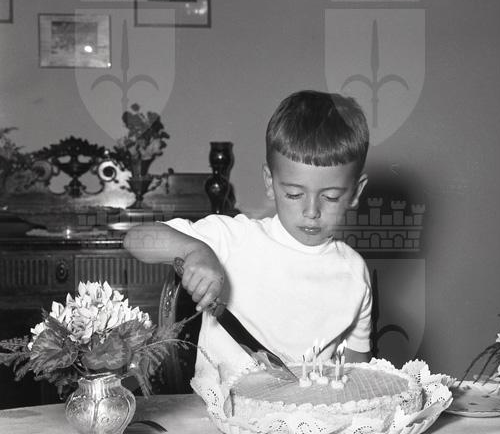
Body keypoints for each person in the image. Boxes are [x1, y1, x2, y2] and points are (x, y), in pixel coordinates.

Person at [123, 90, 372, 384]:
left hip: (310, 412)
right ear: (270, 181)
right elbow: (136, 239)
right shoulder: (235, 238)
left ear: (355, 192)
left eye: (330, 197)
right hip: (219, 411)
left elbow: (359, 377)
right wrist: (195, 250)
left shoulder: (354, 273)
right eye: (294, 194)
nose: (311, 211)